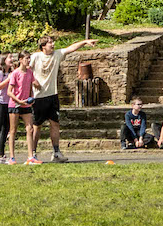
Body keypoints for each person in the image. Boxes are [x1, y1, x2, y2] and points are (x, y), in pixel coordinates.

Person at [26, 33, 105, 164]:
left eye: (53, 41)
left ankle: (56, 153)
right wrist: (33, 80)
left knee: (55, 123)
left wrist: (85, 41)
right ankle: (33, 153)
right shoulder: (36, 57)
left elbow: (71, 48)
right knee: (37, 126)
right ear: (43, 46)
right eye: (50, 42)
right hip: (38, 97)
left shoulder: (57, 54)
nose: (53, 44)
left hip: (52, 96)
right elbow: (25, 69)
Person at [3, 52, 35, 163]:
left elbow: (31, 86)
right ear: (21, 59)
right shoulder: (15, 73)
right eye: (26, 58)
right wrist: (19, 101)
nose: (29, 60)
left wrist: (32, 96)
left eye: (29, 58)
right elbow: (9, 92)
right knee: (13, 130)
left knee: (30, 129)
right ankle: (12, 157)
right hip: (15, 104)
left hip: (26, 104)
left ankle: (31, 156)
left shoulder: (30, 72)